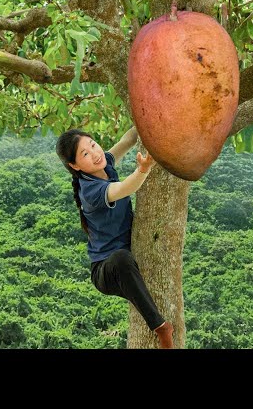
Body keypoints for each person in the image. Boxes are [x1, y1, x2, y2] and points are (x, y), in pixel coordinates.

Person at [56, 126, 174, 349]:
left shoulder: (104, 163)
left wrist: (145, 115)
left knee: (127, 263)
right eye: (85, 154)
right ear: (74, 166)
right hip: (105, 271)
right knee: (121, 259)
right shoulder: (90, 191)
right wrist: (143, 170)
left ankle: (139, 294)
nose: (94, 153)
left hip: (126, 261)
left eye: (92, 145)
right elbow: (124, 188)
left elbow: (128, 140)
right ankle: (161, 327)